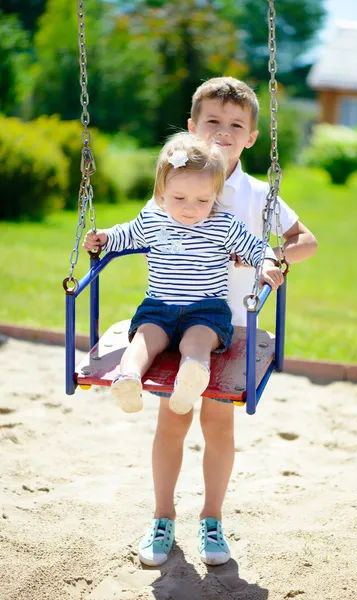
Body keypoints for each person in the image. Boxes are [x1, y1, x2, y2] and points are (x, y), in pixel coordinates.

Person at [82, 131, 283, 566]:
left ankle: (195, 372)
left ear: (215, 196)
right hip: (158, 308)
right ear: (160, 192)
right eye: (179, 199)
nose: (190, 210)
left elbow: (257, 247)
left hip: (205, 313)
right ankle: (128, 377)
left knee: (197, 343)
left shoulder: (223, 224)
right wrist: (100, 239)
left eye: (201, 201)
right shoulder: (153, 219)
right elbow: (121, 236)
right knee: (144, 340)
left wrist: (267, 262)